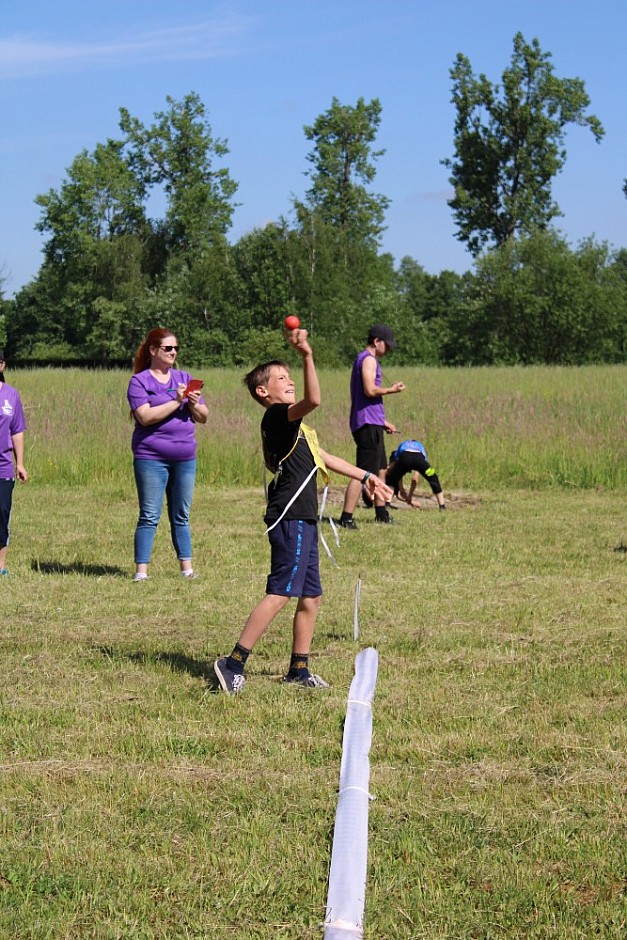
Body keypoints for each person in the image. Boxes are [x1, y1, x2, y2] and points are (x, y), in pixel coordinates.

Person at [213, 327, 392, 695]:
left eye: (290, 375)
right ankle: (232, 664)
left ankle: (299, 669)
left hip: (306, 519)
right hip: (290, 517)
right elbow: (314, 399)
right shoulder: (278, 417)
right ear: (263, 392)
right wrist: (307, 356)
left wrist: (368, 476)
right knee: (280, 592)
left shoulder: (300, 429)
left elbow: (326, 458)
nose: (289, 380)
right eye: (281, 378)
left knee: (311, 596)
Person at [127, 328, 208, 581]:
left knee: (181, 515)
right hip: (151, 457)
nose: (173, 352)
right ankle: (141, 572)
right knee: (150, 514)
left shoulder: (184, 377)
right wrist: (176, 400)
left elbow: (204, 417)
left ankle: (187, 569)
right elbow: (145, 416)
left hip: (185, 457)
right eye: (168, 348)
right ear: (153, 351)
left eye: (176, 348)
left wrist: (193, 403)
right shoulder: (139, 381)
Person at [338, 323, 405, 529]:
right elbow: (368, 390)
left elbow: (364, 398)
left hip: (372, 422)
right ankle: (346, 517)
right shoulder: (368, 360)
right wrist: (391, 390)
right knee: (363, 472)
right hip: (366, 424)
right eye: (388, 345)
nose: (390, 349)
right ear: (377, 341)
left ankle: (381, 513)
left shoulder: (367, 360)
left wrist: (383, 422)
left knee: (380, 469)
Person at [0, 349, 28, 576]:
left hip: (3, 467)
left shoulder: (11, 395)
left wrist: (20, 463)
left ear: (2, 365)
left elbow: (17, 430)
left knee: (2, 514)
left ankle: (0, 566)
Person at [386, 439, 446, 510]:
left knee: (392, 478)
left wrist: (401, 488)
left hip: (405, 458)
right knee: (433, 478)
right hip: (419, 460)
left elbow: (395, 466)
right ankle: (442, 506)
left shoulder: (403, 444)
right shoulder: (420, 446)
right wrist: (410, 496)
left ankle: (387, 503)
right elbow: (415, 478)